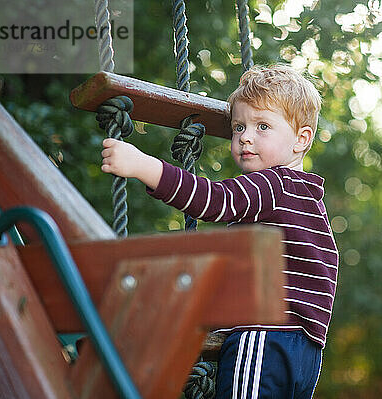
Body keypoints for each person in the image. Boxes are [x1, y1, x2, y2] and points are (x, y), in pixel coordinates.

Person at [100, 64, 338, 399]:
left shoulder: (273, 184)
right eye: (239, 126)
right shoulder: (309, 199)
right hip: (307, 353)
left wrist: (144, 166)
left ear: (301, 139)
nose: (245, 136)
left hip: (263, 339)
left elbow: (214, 200)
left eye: (263, 126)